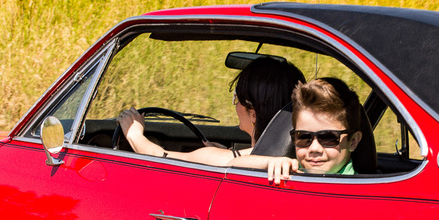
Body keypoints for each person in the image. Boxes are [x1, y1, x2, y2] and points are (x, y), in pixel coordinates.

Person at [116, 56, 305, 165]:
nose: (235, 105)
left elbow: (159, 157)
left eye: (237, 99)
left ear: (253, 113)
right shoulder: (299, 155)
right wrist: (230, 152)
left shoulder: (231, 160)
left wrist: (134, 134)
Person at [255, 77, 374, 183]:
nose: (314, 148)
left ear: (353, 141)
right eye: (303, 137)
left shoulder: (358, 188)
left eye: (329, 138)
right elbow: (236, 164)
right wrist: (270, 162)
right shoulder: (290, 172)